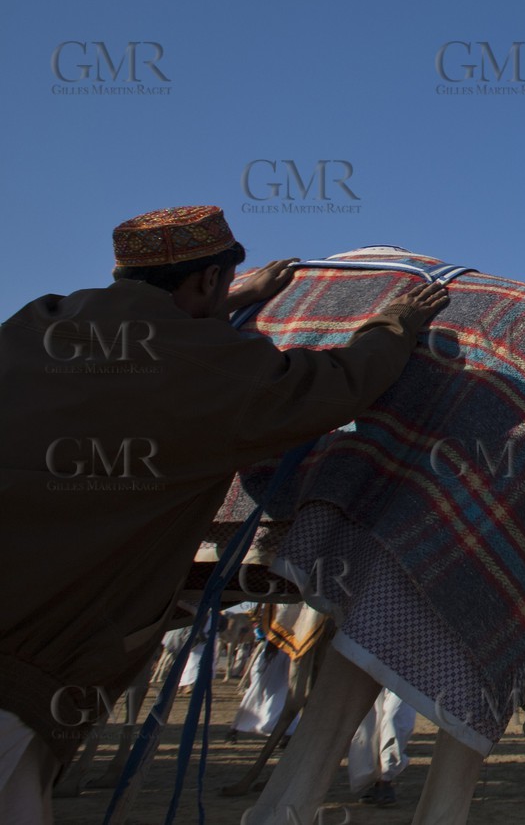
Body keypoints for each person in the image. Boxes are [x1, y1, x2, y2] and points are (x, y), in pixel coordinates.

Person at [0, 205, 447, 823]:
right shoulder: (211, 366)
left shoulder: (37, 321)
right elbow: (330, 384)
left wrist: (237, 293)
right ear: (207, 281)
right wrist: (394, 329)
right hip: (28, 654)